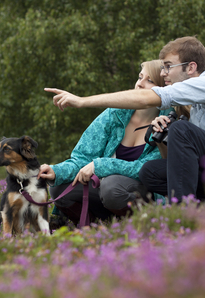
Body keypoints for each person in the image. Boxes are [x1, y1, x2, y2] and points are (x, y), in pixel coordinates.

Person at [44, 36, 205, 201]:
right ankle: (201, 210)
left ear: (191, 67)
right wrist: (163, 140)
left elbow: (152, 97)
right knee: (152, 171)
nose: (164, 73)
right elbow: (182, 162)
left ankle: (179, 217)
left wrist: (82, 101)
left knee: (182, 130)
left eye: (168, 66)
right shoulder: (196, 109)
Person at [38, 60, 172, 226]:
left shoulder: (167, 122)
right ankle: (95, 226)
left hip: (140, 192)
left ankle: (141, 224)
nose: (140, 84)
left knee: (112, 187)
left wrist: (101, 165)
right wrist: (56, 171)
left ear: (164, 89)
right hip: (105, 193)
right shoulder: (114, 113)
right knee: (60, 186)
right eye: (139, 77)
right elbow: (84, 157)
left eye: (150, 81)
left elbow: (147, 169)